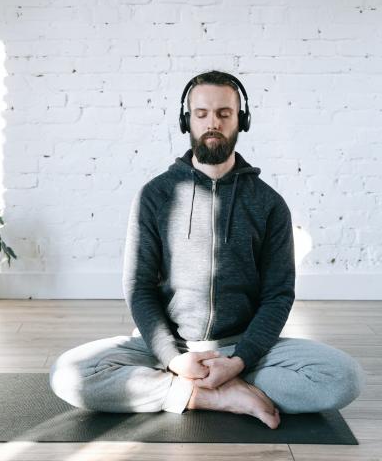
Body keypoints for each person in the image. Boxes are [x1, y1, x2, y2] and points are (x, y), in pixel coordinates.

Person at [49, 70, 366, 429]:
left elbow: (278, 295)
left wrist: (240, 361)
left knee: (344, 378)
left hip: (244, 349)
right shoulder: (155, 196)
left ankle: (200, 387)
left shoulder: (269, 203)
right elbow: (138, 287)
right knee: (67, 374)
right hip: (169, 348)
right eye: (201, 114)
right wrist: (172, 358)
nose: (212, 123)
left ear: (240, 121)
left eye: (223, 114)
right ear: (187, 120)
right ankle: (212, 395)